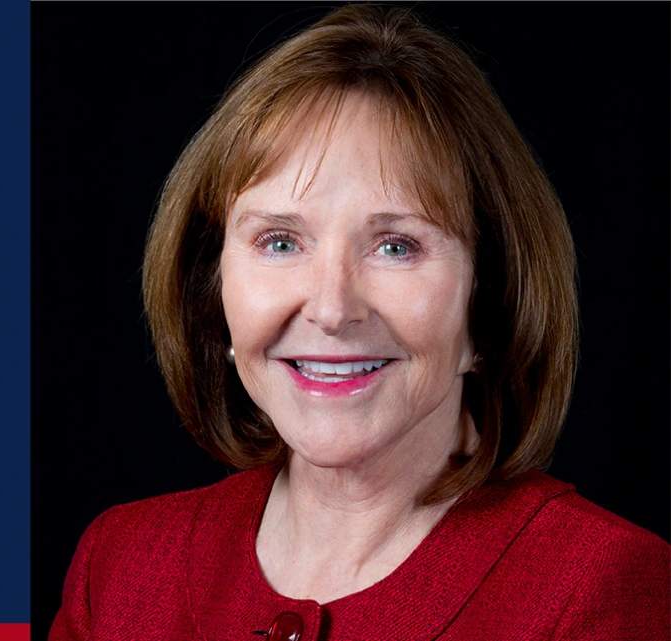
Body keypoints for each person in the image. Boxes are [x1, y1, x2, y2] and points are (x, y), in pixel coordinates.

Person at [48, 5, 670, 641]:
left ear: (490, 300)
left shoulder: (596, 588)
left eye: (396, 246)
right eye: (281, 241)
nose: (331, 307)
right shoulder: (119, 569)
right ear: (214, 287)